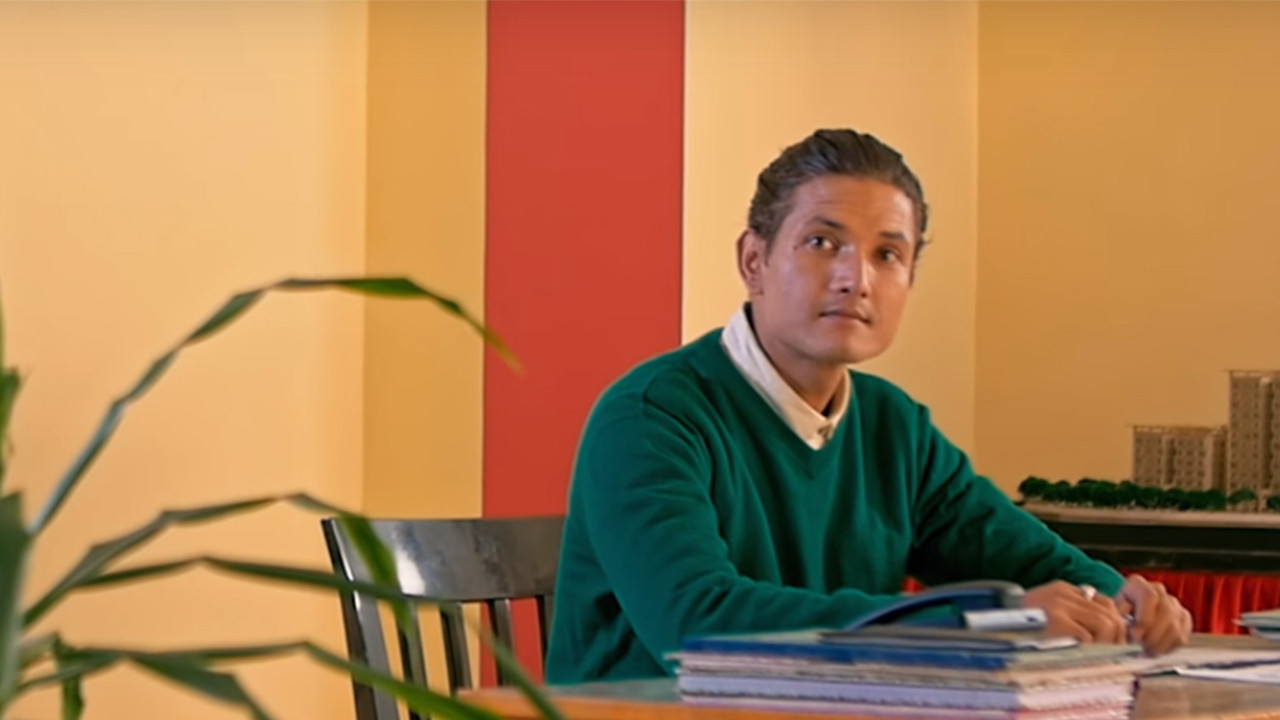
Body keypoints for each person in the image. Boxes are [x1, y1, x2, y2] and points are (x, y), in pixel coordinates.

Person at [544, 128, 1191, 684]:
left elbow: (1025, 560)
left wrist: (1122, 601)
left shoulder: (893, 427)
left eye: (888, 254)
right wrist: (990, 622)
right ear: (754, 260)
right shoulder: (651, 417)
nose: (856, 278)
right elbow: (696, 623)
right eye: (822, 243)